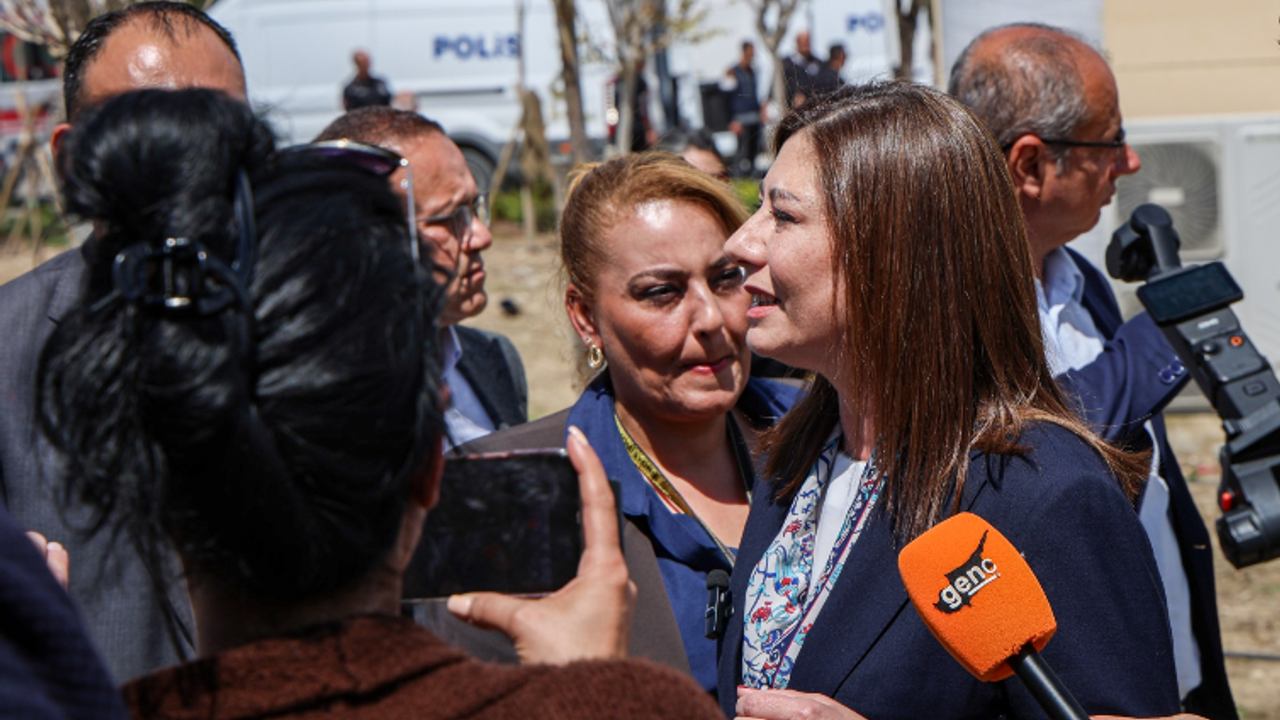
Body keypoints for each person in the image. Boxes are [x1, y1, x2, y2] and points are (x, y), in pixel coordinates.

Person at [39, 87, 725, 720]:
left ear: (149, 486)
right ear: (432, 466)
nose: (480, 236)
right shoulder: (628, 708)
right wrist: (590, 695)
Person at [715, 82, 1181, 719]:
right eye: (757, 208)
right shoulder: (796, 457)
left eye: (784, 216)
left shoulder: (1047, 496)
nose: (740, 243)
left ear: (896, 255)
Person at [949, 24, 1235, 720]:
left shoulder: (1080, 277)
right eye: (1110, 141)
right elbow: (1024, 457)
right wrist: (1161, 337)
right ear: (1029, 163)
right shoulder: (944, 303)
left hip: (1171, 667)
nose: (1130, 162)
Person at [463, 152, 800, 697]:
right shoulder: (503, 493)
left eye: (725, 278)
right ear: (585, 317)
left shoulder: (824, 430)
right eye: (662, 292)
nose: (711, 318)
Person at [0, 0, 246, 681]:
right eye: (150, 127)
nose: (190, 155)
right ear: (71, 158)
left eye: (220, 128)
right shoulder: (6, 351)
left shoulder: (316, 329)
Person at [315, 108, 528, 446]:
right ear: (371, 238)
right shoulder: (318, 399)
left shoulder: (494, 359)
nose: (482, 236)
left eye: (474, 209)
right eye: (450, 218)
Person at [725, 41, 763, 178]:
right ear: (744, 51)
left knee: (754, 149)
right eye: (751, 51)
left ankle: (751, 176)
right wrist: (731, 120)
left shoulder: (753, 71)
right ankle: (737, 176)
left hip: (754, 116)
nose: (753, 55)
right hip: (740, 118)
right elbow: (726, 98)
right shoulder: (733, 71)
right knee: (742, 150)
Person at [780, 31, 823, 109]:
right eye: (803, 42)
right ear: (797, 43)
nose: (806, 45)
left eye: (807, 42)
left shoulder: (818, 64)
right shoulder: (787, 64)